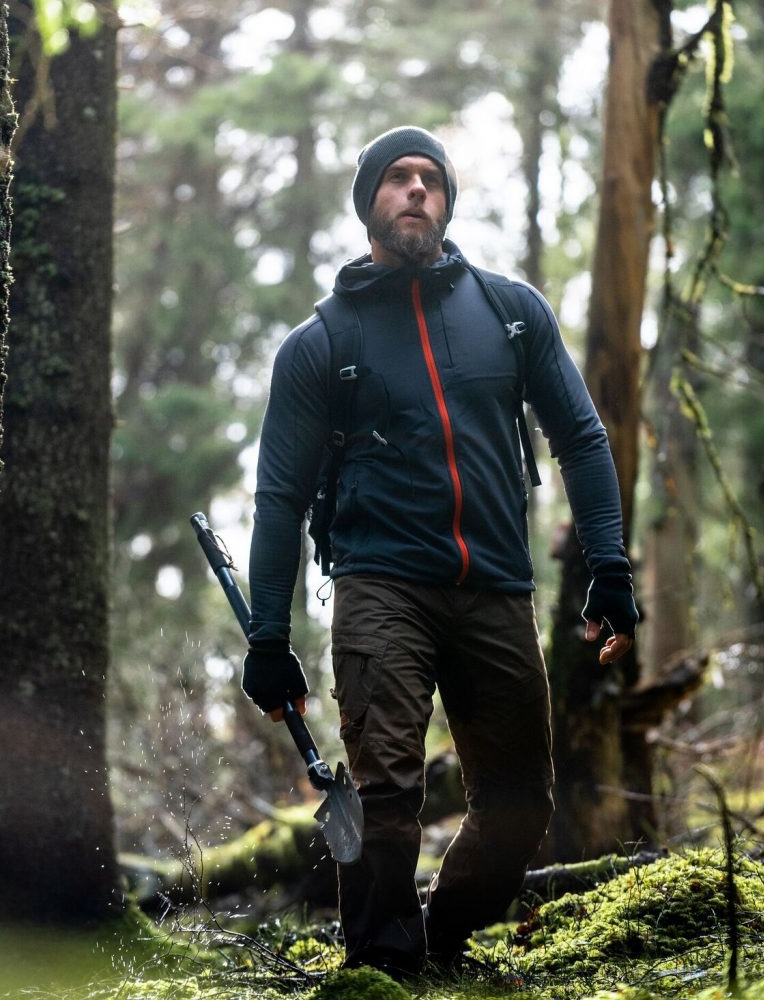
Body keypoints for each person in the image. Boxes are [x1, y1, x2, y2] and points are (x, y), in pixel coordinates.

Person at [242, 126, 638, 979]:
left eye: (431, 178)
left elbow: (580, 437)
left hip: (495, 587)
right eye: (397, 177)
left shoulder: (510, 313)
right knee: (385, 793)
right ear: (368, 203)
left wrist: (608, 564)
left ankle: (440, 940)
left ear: (448, 201)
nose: (416, 189)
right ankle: (380, 975)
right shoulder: (321, 343)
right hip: (380, 586)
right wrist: (267, 638)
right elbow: (278, 498)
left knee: (520, 801)